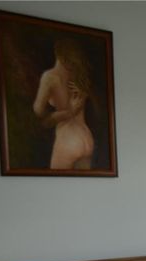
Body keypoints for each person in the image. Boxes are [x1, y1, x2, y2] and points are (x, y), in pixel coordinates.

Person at [32, 38, 94, 169]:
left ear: (58, 53)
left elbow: (37, 112)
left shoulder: (50, 77)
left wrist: (65, 113)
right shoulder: (80, 75)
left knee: (55, 188)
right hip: (86, 137)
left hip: (67, 140)